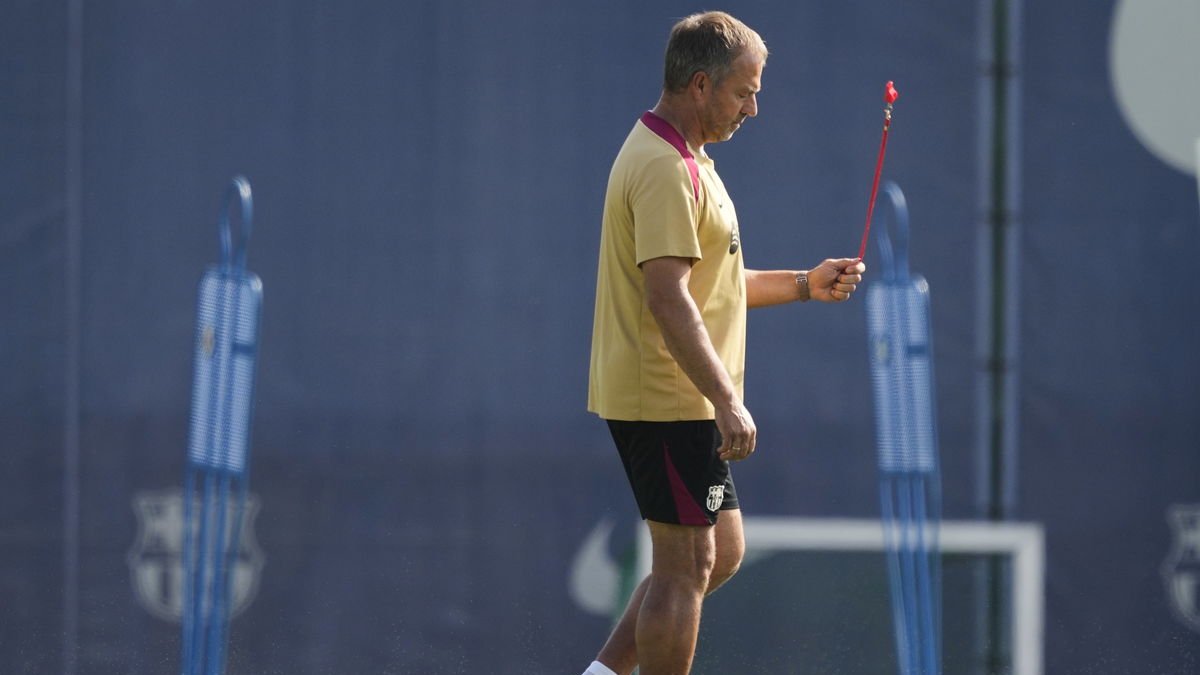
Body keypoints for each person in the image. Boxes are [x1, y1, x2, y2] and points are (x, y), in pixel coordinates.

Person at [581, 11, 867, 675]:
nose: (755, 108)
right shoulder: (663, 167)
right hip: (666, 396)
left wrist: (805, 283)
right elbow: (667, 296)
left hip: (678, 395)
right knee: (685, 567)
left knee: (722, 550)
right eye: (746, 91)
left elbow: (710, 281)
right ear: (702, 85)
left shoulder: (689, 160)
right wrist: (726, 399)